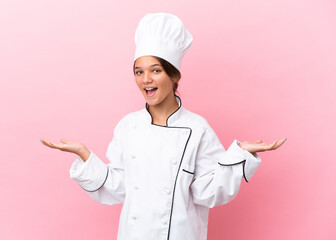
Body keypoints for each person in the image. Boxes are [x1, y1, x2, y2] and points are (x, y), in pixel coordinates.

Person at [41, 13, 286, 240]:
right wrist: (84, 155)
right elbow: (119, 187)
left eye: (155, 70)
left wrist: (241, 154)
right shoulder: (128, 126)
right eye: (139, 71)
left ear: (174, 75)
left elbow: (208, 191)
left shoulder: (197, 128)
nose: (145, 79)